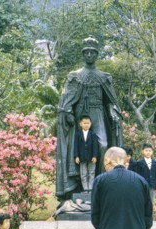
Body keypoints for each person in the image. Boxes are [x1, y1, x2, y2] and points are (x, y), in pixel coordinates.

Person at [56, 36, 123, 201]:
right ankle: (81, 186)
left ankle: (99, 182)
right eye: (86, 52)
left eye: (93, 53)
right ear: (83, 54)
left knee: (103, 145)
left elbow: (111, 102)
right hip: (81, 117)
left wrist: (113, 112)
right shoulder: (75, 75)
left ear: (97, 54)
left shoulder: (104, 76)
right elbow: (66, 100)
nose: (89, 55)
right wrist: (68, 112)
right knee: (79, 149)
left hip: (98, 115)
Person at [73, 115, 100, 192]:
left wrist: (95, 156)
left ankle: (90, 188)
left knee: (91, 172)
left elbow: (95, 146)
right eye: (84, 123)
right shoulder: (78, 135)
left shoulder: (93, 134)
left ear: (90, 124)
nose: (86, 125)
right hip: (82, 157)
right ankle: (85, 189)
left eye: (88, 123)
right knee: (83, 174)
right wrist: (76, 156)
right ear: (80, 124)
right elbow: (76, 146)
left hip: (91, 157)